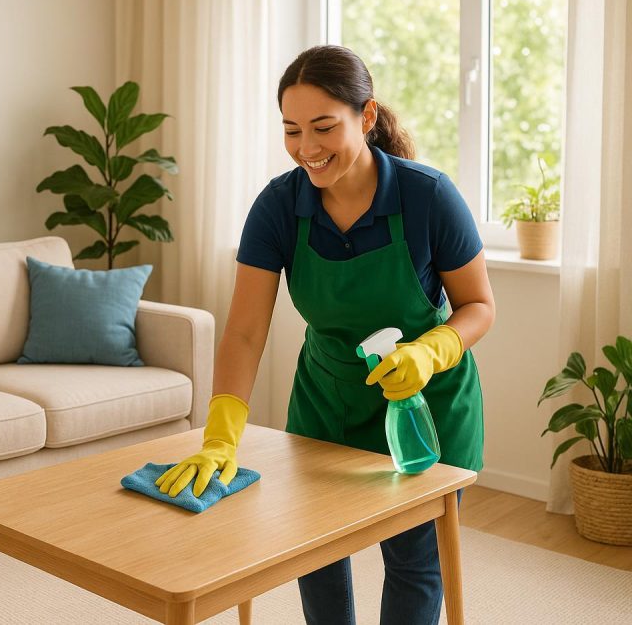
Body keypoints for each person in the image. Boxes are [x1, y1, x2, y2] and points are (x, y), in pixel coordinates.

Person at [154, 44, 495, 625]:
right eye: (291, 130)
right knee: (315, 554)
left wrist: (432, 351)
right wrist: (221, 434)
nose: (307, 149)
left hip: (425, 405)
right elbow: (243, 331)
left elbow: (478, 306)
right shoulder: (278, 207)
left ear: (366, 117)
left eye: (323, 127)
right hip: (326, 399)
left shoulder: (427, 196)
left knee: (415, 561)